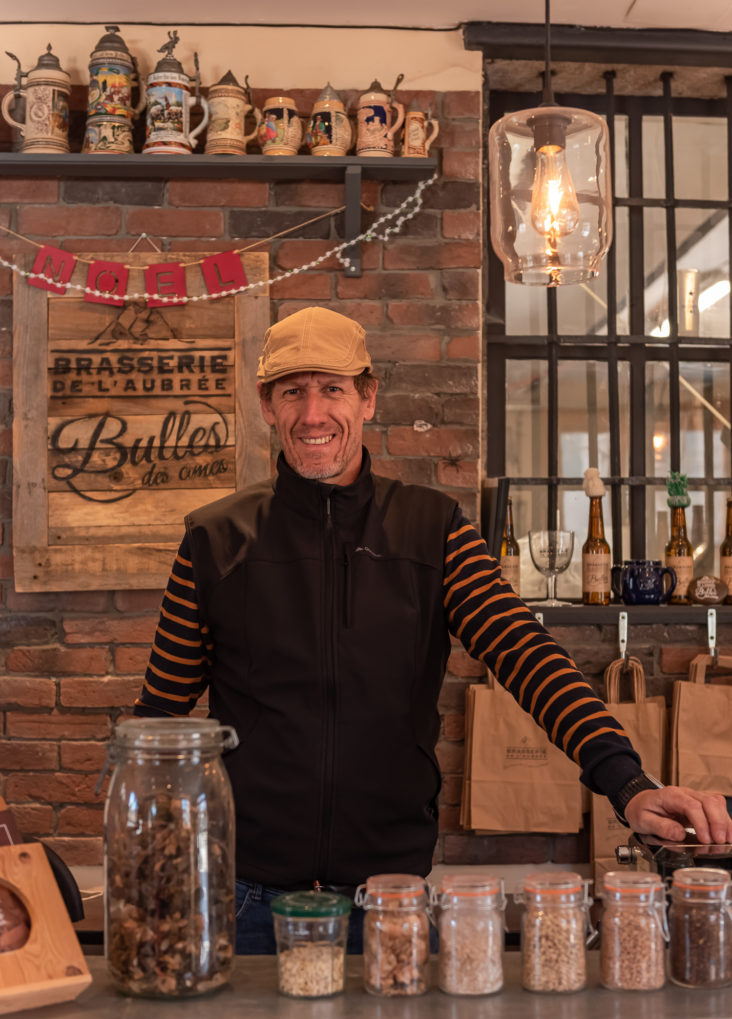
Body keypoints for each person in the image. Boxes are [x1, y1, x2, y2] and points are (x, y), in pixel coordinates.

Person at [135, 305, 732, 954]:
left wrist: (630, 786)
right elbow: (159, 715)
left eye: (332, 389)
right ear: (266, 405)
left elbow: (524, 654)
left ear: (367, 398)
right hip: (244, 892)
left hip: (388, 891)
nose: (312, 413)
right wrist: (143, 861)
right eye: (292, 392)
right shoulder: (214, 538)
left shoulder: (431, 529)